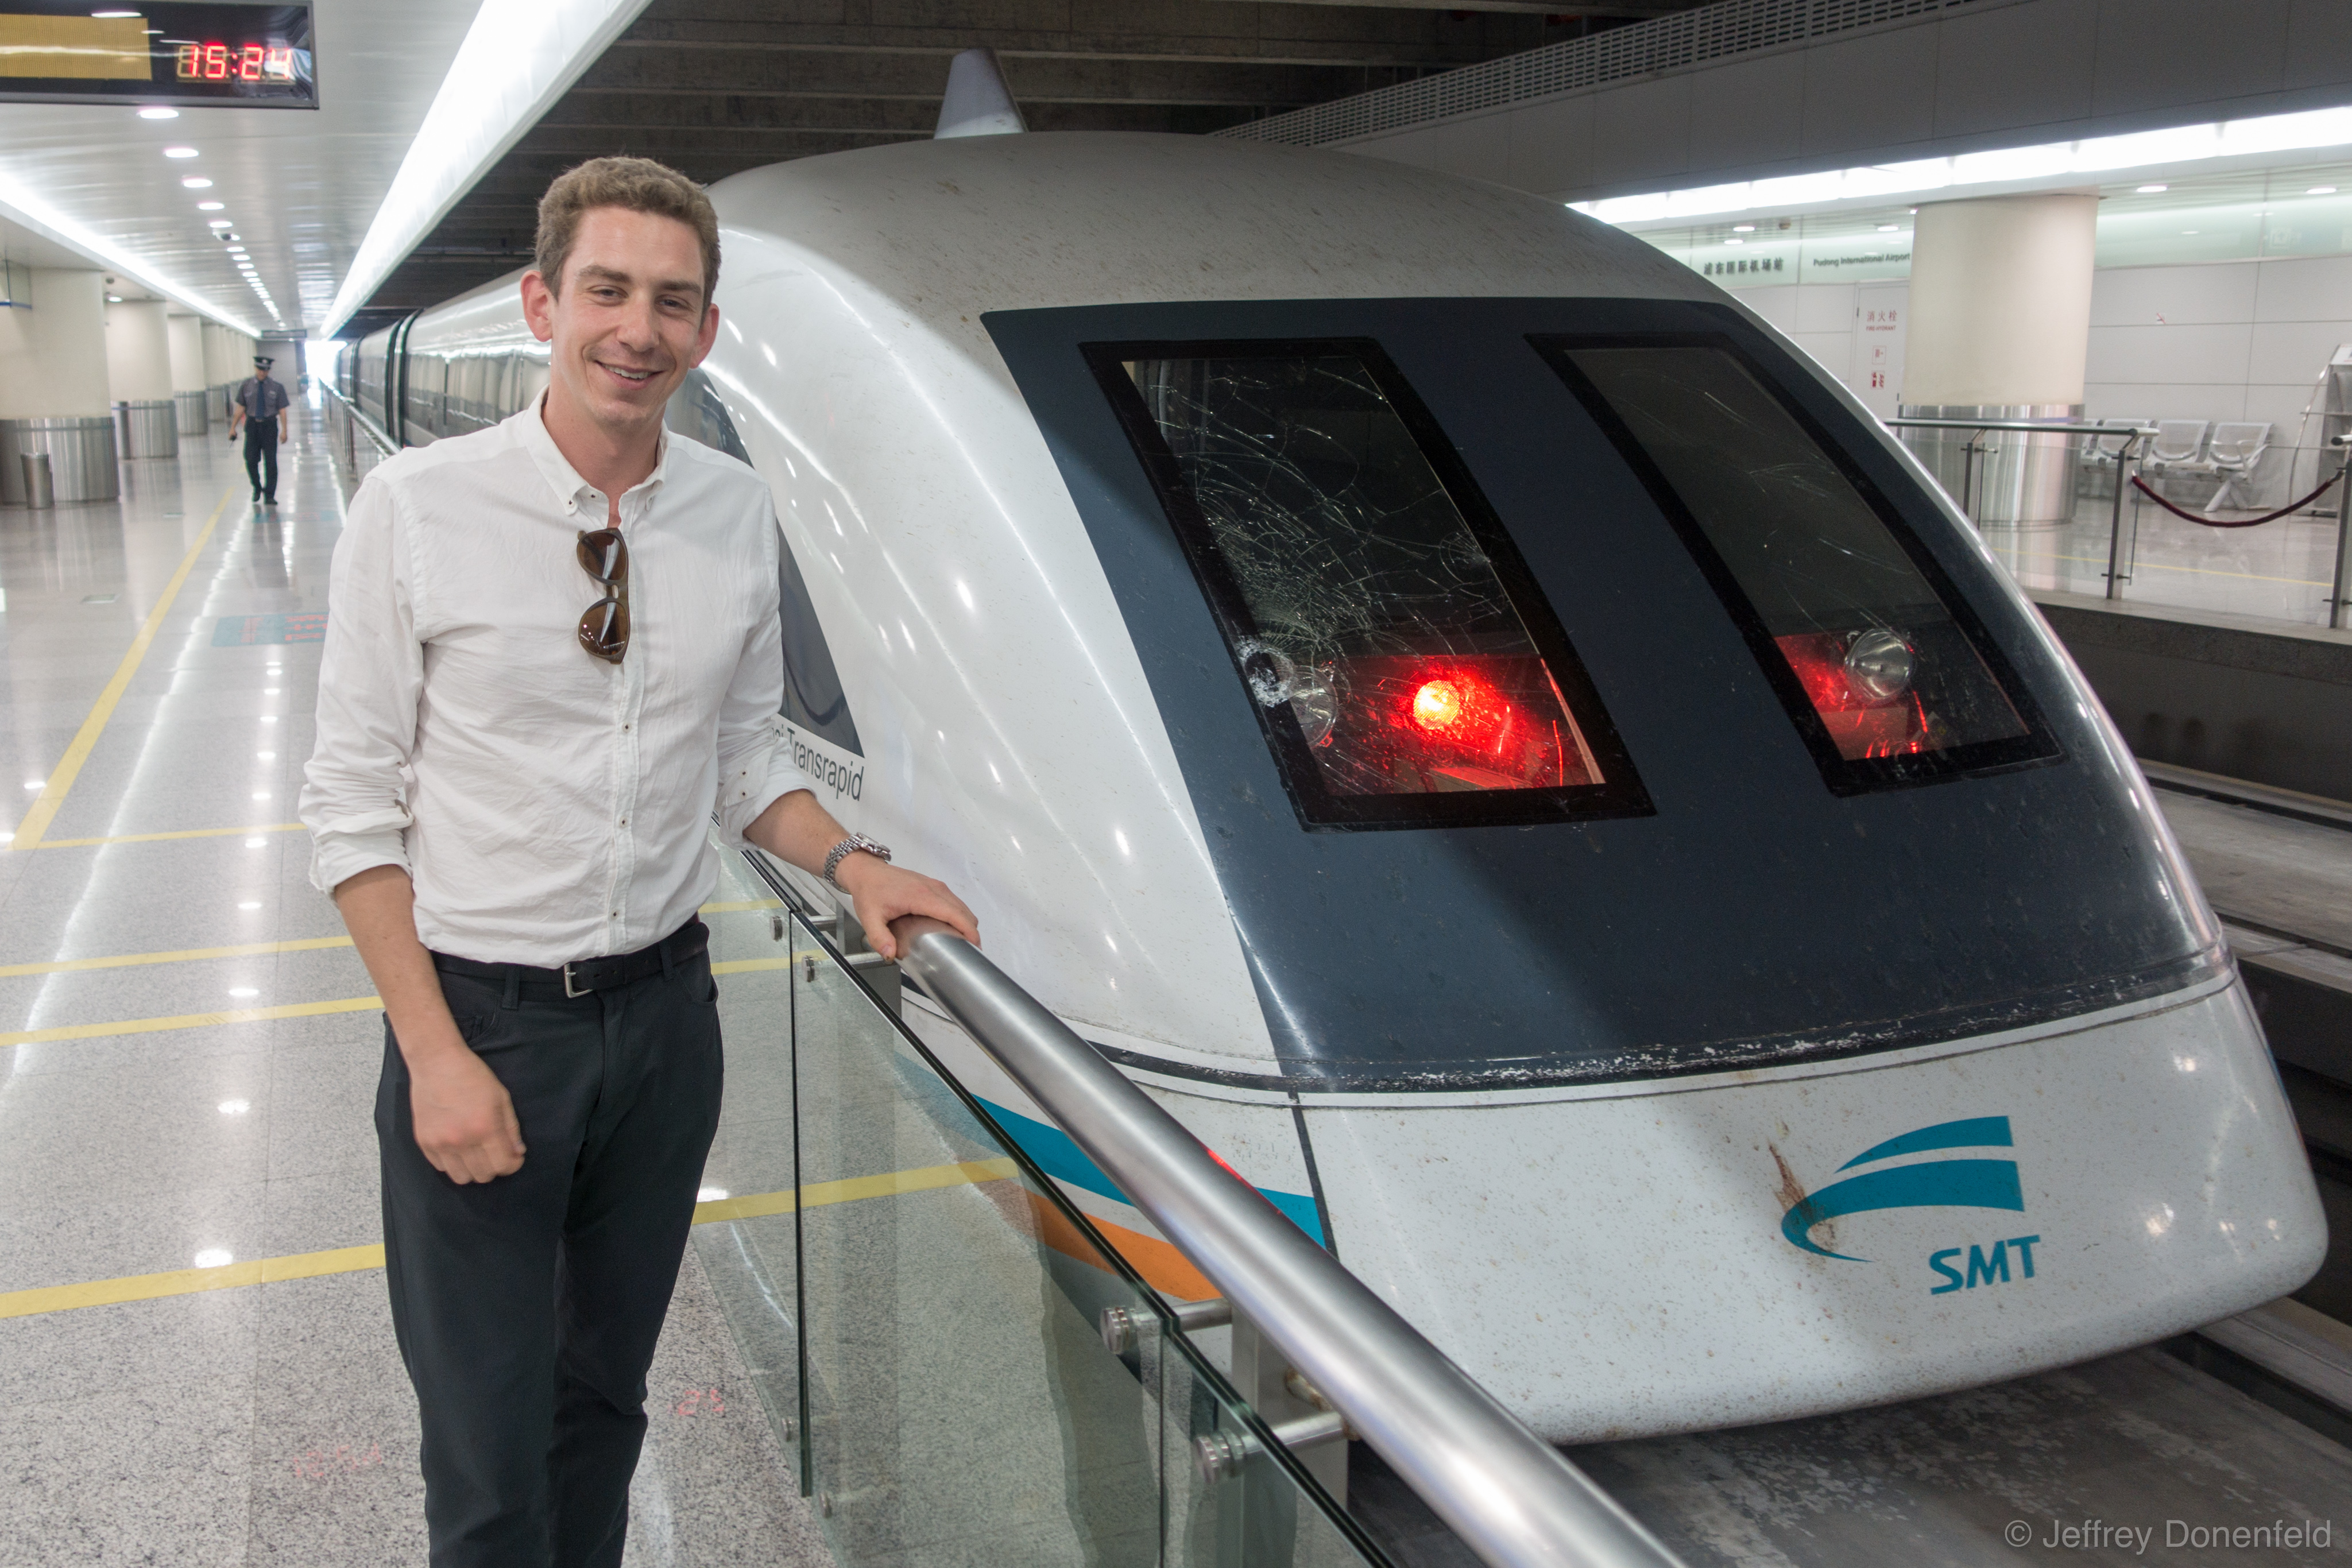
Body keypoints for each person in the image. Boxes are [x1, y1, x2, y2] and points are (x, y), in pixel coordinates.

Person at [299, 156, 980, 1566]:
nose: (639, 327)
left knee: (602, 1404)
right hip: (481, 1021)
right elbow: (352, 810)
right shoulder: (420, 510)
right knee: (488, 1453)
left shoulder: (733, 510)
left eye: (675, 301)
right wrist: (432, 1053)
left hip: (666, 1027)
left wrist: (855, 864)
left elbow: (744, 762)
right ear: (547, 303)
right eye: (608, 290)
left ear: (706, 332)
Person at [228, 353, 290, 505]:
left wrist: (284, 431)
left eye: (266, 370)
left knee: (271, 462)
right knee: (250, 460)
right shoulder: (246, 385)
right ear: (256, 368)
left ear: (269, 370)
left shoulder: (277, 387)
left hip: (269, 426)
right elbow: (241, 408)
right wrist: (233, 428)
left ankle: (269, 495)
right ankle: (257, 487)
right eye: (260, 369)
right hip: (252, 425)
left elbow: (282, 410)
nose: (263, 372)